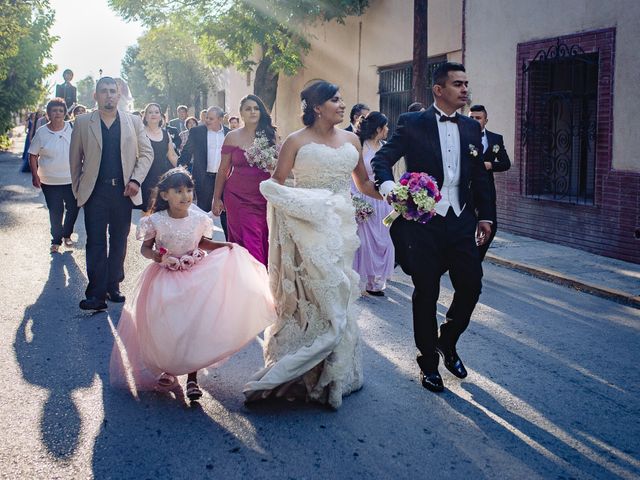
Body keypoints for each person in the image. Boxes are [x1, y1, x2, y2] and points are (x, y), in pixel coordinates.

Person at [243, 81, 380, 409]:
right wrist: (298, 213)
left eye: (340, 98)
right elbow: (275, 187)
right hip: (307, 232)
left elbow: (362, 183)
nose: (342, 104)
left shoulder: (351, 140)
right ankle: (301, 373)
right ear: (317, 107)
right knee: (314, 299)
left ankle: (334, 371)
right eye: (335, 100)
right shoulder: (295, 141)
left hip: (341, 230)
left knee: (339, 294)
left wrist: (397, 195)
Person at [371, 62, 494, 393]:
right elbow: (382, 161)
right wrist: (388, 188)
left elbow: (479, 175)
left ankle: (447, 339)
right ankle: (428, 362)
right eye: (458, 84)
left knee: (471, 286)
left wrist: (486, 216)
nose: (465, 89)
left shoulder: (471, 128)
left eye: (467, 83)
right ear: (439, 90)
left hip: (461, 220)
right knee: (426, 292)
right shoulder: (413, 123)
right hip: (423, 223)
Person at [109, 168, 275, 401]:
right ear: (165, 195)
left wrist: (224, 246)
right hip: (164, 280)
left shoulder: (199, 219)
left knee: (194, 326)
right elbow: (145, 248)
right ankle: (169, 367)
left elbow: (203, 243)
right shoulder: (156, 221)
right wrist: (156, 256)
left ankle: (193, 378)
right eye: (178, 191)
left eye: (189, 190)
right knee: (168, 326)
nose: (185, 196)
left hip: (195, 277)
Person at [69, 76, 153, 311]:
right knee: (95, 241)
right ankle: (96, 294)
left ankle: (113, 284)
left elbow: (146, 154)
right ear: (95, 96)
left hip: (123, 191)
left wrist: (136, 180)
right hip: (95, 192)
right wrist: (78, 189)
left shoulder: (133, 122)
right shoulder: (84, 122)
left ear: (119, 95)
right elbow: (75, 160)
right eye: (103, 91)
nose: (108, 95)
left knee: (119, 239)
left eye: (112, 91)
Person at [212, 95, 276, 265]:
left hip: (262, 197)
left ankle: (260, 280)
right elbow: (223, 169)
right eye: (248, 108)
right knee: (248, 240)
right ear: (241, 113)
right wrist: (216, 198)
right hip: (236, 197)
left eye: (256, 108)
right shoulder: (232, 137)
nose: (253, 111)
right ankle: (252, 280)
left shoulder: (272, 136)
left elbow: (279, 168)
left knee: (262, 236)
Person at [351, 112, 395, 296]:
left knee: (384, 241)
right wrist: (355, 201)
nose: (387, 130)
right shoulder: (360, 147)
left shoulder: (385, 147)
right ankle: (364, 281)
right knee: (365, 242)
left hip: (382, 201)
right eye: (385, 126)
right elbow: (353, 177)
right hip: (364, 198)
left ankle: (378, 281)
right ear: (378, 128)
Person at [28, 98, 80, 253]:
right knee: (55, 210)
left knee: (74, 208)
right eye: (54, 110)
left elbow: (82, 150)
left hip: (71, 178)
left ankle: (67, 234)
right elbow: (32, 154)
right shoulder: (42, 132)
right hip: (49, 180)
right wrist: (34, 175)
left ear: (65, 113)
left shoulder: (72, 128)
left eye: (61, 110)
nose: (58, 113)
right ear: (48, 113)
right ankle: (56, 241)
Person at [178, 106, 229, 236]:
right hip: (204, 178)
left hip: (225, 179)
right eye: (206, 117)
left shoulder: (229, 134)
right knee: (203, 213)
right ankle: (202, 246)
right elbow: (186, 153)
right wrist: (179, 170)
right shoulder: (197, 132)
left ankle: (231, 245)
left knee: (227, 214)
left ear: (220, 119)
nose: (207, 120)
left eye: (211, 118)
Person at [469, 104, 511, 260]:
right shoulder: (461, 137)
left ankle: (478, 258)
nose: (474, 121)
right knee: (466, 226)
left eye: (478, 118)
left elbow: (506, 163)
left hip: (486, 189)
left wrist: (490, 165)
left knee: (491, 227)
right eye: (471, 118)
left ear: (486, 120)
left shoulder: (495, 139)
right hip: (466, 188)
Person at [140, 103, 179, 210]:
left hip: (162, 178)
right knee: (146, 212)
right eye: (150, 112)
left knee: (162, 210)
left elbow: (172, 155)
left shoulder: (166, 134)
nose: (154, 114)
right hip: (144, 178)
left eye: (156, 112)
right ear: (145, 116)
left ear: (160, 116)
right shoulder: (140, 133)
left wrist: (182, 171)